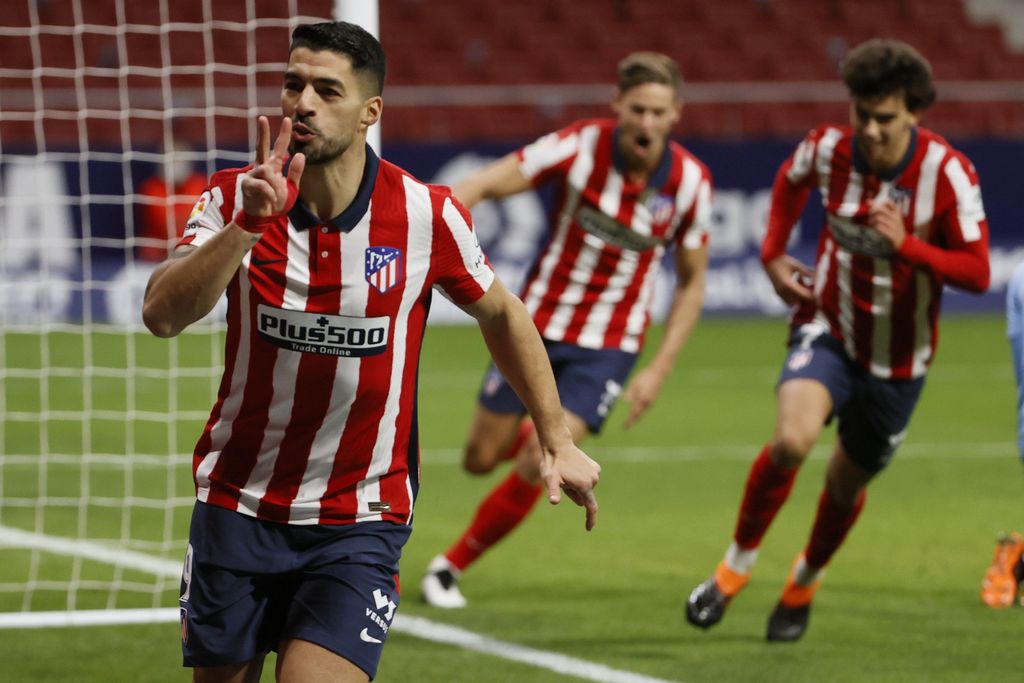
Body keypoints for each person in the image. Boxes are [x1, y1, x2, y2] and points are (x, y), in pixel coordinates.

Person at [141, 22, 600, 683]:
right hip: (237, 505)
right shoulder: (231, 197)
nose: (303, 103)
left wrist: (555, 438)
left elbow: (503, 312)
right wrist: (247, 227)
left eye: (327, 91)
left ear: (369, 112)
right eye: (293, 85)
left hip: (359, 518)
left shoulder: (425, 214)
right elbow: (161, 316)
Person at [685, 38, 990, 642]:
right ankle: (733, 569)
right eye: (862, 114)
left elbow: (978, 272)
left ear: (914, 113)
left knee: (844, 484)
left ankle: (803, 582)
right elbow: (788, 180)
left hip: (899, 360)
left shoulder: (947, 173)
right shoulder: (828, 148)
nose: (871, 130)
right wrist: (772, 253)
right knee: (791, 440)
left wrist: (908, 246)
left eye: (885, 118)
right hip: (829, 324)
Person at [420, 52, 712, 608]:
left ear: (676, 113)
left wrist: (659, 368)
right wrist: (433, 231)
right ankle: (536, 431)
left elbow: (693, 283)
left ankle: (448, 567)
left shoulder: (692, 184)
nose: (647, 122)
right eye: (638, 110)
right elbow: (483, 182)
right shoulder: (579, 147)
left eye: (658, 112)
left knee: (540, 460)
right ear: (617, 105)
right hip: (537, 327)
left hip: (609, 346)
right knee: (480, 458)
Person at [136, 128, 208, 262]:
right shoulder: (151, 188)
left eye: (180, 159)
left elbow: (201, 224)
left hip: (194, 254)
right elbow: (169, 227)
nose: (177, 165)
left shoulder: (201, 184)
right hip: (155, 258)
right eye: (173, 160)